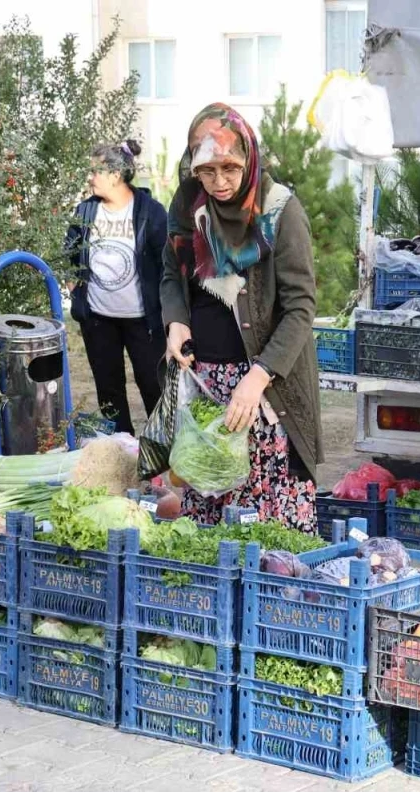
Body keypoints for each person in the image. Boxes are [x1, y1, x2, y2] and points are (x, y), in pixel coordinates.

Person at [160, 103, 322, 532]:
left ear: (249, 159)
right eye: (207, 172)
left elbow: (302, 307)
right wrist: (176, 321)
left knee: (266, 526)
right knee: (205, 516)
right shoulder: (187, 205)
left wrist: (258, 377)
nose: (220, 182)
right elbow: (171, 273)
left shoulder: (281, 212)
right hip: (207, 384)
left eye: (230, 169)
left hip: (267, 391)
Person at [66, 140, 169, 436]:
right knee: (109, 390)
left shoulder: (151, 212)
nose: (90, 177)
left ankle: (162, 449)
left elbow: (167, 266)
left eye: (95, 171)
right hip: (98, 320)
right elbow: (69, 255)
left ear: (115, 175)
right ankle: (123, 447)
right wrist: (76, 293)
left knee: (152, 385)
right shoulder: (85, 211)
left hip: (143, 320)